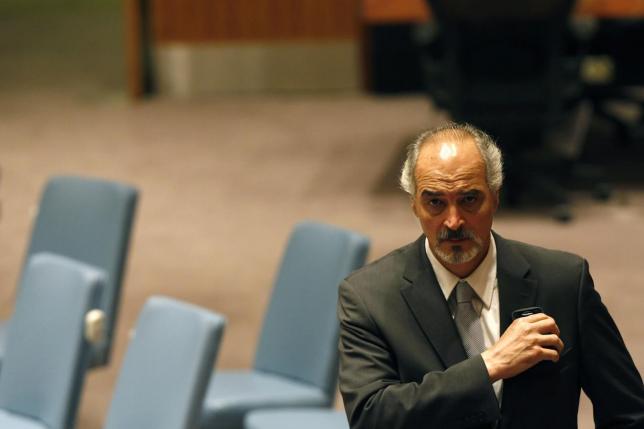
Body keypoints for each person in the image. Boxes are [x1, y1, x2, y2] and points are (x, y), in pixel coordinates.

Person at [337, 123, 644, 429]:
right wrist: (488, 366)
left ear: (495, 197)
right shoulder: (369, 297)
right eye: (435, 202)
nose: (454, 221)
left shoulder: (563, 282)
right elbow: (371, 417)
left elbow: (628, 412)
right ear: (414, 205)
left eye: (469, 199)